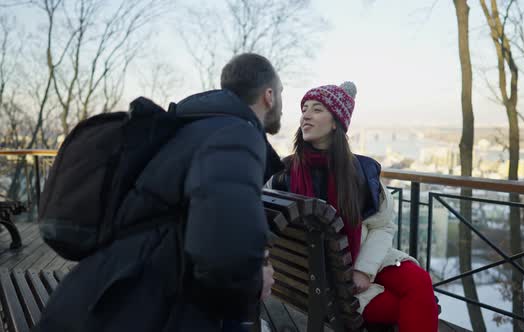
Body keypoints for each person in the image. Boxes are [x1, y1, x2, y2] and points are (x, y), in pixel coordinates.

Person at [35, 53, 282, 332]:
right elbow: (225, 253)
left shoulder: (188, 127)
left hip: (105, 297)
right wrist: (255, 282)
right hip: (139, 307)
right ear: (269, 96)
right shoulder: (237, 133)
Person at [267, 81, 439, 331]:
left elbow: (382, 226)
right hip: (324, 281)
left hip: (361, 257)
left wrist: (364, 270)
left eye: (317, 109)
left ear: (336, 122)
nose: (306, 114)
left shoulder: (361, 172)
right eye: (304, 108)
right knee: (411, 306)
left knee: (419, 281)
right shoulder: (284, 174)